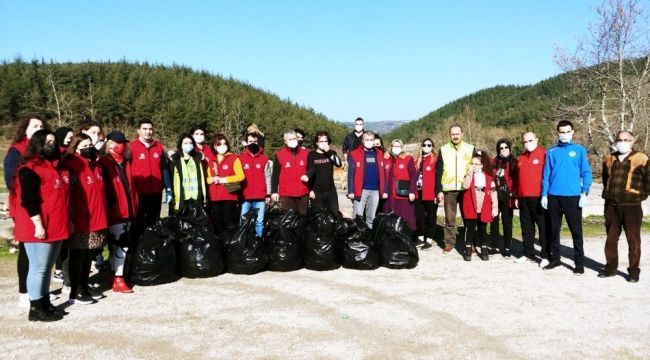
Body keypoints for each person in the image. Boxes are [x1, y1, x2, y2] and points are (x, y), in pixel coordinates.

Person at [13, 129, 69, 321]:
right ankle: (35, 307)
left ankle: (45, 302)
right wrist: (38, 224)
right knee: (39, 267)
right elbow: (29, 200)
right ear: (37, 143)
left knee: (47, 267)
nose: (51, 144)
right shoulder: (29, 168)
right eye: (47, 141)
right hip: (38, 227)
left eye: (53, 141)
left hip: (55, 225)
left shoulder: (53, 166)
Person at [4, 115, 47, 308]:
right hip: (23, 206)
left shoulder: (43, 150)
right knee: (26, 249)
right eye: (35, 125)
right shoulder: (17, 151)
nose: (39, 128)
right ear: (25, 129)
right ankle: (24, 292)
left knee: (41, 249)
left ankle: (38, 291)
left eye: (41, 126)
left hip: (42, 205)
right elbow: (11, 182)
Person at [541, 120, 592, 275]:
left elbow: (586, 172)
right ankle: (555, 259)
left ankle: (579, 263)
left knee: (576, 231)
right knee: (553, 230)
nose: (564, 134)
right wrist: (544, 194)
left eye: (567, 131)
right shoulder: (551, 151)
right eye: (561, 132)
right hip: (554, 197)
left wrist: (585, 192)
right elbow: (546, 175)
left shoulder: (579, 150)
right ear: (557, 133)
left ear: (572, 132)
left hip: (573, 197)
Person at [63, 133, 108, 305]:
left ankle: (84, 286)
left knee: (88, 256)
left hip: (95, 218)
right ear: (75, 148)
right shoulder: (72, 165)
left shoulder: (94, 165)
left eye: (90, 145)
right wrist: (71, 218)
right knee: (78, 257)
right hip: (81, 219)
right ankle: (75, 291)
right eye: (84, 146)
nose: (89, 148)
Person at [600, 131, 649, 283]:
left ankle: (634, 272)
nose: (622, 142)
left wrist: (641, 195)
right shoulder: (609, 158)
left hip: (632, 207)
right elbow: (605, 179)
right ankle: (610, 268)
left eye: (626, 140)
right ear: (615, 141)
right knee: (611, 238)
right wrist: (609, 193)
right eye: (619, 139)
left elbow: (648, 180)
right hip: (611, 206)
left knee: (633, 239)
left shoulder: (641, 158)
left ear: (632, 141)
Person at [99, 131, 138, 293]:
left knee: (119, 245)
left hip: (129, 208)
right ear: (110, 144)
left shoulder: (125, 162)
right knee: (122, 244)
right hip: (116, 211)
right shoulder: (104, 162)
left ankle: (116, 275)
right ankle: (119, 278)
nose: (124, 146)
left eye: (123, 142)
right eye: (120, 143)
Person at [435, 125, 475, 253]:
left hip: (466, 188)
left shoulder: (470, 148)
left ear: (462, 133)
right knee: (449, 218)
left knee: (468, 218)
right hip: (449, 188)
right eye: (453, 134)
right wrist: (439, 190)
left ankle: (470, 243)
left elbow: (476, 168)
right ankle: (449, 242)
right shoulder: (443, 149)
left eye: (457, 133)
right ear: (449, 135)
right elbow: (439, 170)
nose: (455, 136)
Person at [130, 120, 172, 239]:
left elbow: (164, 168)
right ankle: (138, 250)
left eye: (150, 129)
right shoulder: (131, 147)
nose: (148, 132)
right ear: (138, 130)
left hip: (156, 192)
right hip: (139, 193)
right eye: (145, 129)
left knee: (154, 222)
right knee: (139, 224)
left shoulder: (158, 146)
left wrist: (168, 188)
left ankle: (153, 249)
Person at [514, 132, 548, 265]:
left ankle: (545, 255)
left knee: (543, 227)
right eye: (525, 141)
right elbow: (518, 179)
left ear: (537, 139)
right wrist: (517, 195)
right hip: (523, 197)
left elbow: (548, 176)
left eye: (530, 140)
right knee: (526, 228)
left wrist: (546, 195)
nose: (528, 143)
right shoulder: (520, 158)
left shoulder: (544, 154)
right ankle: (528, 253)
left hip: (538, 197)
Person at [461, 150, 498, 261]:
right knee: (470, 227)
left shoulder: (488, 177)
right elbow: (466, 186)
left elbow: (493, 193)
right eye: (472, 164)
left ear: (482, 165)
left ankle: (484, 249)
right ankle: (468, 249)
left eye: (476, 164)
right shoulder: (469, 175)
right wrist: (469, 173)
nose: (474, 166)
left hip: (484, 201)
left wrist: (495, 207)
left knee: (482, 228)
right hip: (471, 202)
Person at [206, 134, 244, 233]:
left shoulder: (234, 158)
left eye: (224, 143)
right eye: (219, 144)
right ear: (214, 146)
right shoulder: (210, 159)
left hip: (229, 195)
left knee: (228, 223)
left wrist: (225, 179)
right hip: (214, 196)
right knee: (217, 222)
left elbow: (241, 176)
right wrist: (212, 179)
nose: (222, 146)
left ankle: (228, 244)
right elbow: (207, 178)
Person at [347, 131, 385, 229]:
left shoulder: (380, 154)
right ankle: (356, 239)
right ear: (363, 141)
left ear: (374, 141)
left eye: (371, 140)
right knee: (357, 217)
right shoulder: (354, 154)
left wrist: (384, 190)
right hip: (361, 190)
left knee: (371, 217)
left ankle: (368, 239)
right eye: (367, 140)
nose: (369, 142)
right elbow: (350, 174)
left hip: (375, 191)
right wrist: (351, 191)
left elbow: (383, 173)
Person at [52, 126, 74, 284]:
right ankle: (58, 269)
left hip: (70, 199)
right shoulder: (57, 153)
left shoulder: (69, 152)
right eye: (67, 136)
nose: (69, 138)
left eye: (71, 136)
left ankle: (63, 269)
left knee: (67, 239)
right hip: (59, 200)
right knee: (61, 240)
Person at [239, 132, 272, 238]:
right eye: (250, 142)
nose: (253, 144)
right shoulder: (240, 158)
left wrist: (268, 194)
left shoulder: (264, 159)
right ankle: (244, 241)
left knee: (259, 222)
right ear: (246, 143)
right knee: (243, 221)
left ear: (259, 143)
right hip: (245, 197)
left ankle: (259, 242)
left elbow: (268, 177)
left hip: (260, 198)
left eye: (255, 142)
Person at [271, 130, 310, 215]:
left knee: (302, 221)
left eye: (294, 138)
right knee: (288, 221)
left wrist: (312, 189)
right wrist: (274, 191)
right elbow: (275, 175)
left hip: (303, 193)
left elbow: (311, 171)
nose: (293, 140)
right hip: (286, 194)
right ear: (285, 141)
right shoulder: (279, 155)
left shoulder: (306, 153)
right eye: (290, 139)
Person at [305, 131, 342, 215]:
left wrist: (328, 152)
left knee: (334, 215)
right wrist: (310, 190)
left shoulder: (331, 153)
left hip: (331, 191)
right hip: (317, 192)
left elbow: (339, 164)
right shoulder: (311, 155)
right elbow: (310, 171)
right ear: (317, 143)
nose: (323, 143)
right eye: (321, 141)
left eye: (325, 141)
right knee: (318, 217)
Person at [490, 139, 516, 257]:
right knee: (494, 222)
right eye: (501, 148)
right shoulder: (494, 161)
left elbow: (518, 180)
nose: (504, 149)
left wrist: (514, 192)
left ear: (510, 148)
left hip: (507, 196)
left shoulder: (515, 162)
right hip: (495, 196)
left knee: (507, 222)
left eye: (506, 147)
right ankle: (495, 246)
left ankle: (507, 247)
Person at [383, 139, 417, 230]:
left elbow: (413, 175)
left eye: (398, 146)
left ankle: (407, 237)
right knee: (391, 217)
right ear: (391, 147)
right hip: (389, 194)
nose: (396, 148)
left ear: (402, 147)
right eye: (394, 146)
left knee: (406, 217)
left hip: (403, 194)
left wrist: (412, 191)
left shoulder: (408, 158)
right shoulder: (386, 159)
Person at [170, 134, 208, 212]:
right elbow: (171, 179)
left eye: (190, 143)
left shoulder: (198, 158)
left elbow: (203, 177)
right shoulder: (174, 159)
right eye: (185, 143)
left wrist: (205, 198)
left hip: (196, 197)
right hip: (181, 197)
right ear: (181, 145)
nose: (188, 145)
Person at [415, 138, 438, 250]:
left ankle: (429, 239)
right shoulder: (417, 160)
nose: (426, 147)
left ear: (432, 146)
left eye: (429, 145)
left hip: (430, 193)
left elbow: (439, 178)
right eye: (424, 145)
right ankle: (420, 238)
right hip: (418, 193)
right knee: (419, 217)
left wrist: (438, 193)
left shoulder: (435, 160)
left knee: (431, 217)